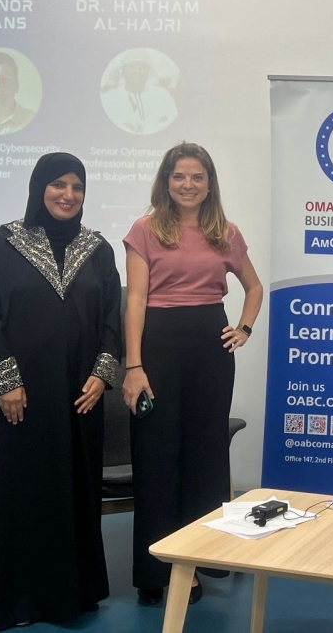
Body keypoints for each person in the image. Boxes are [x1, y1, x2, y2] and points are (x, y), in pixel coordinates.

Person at [0, 153, 121, 631]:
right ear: (40, 188)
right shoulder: (3, 243)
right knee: (19, 493)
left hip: (79, 398)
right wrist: (6, 383)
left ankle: (70, 593)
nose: (68, 195)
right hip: (17, 400)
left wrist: (102, 375)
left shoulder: (98, 250)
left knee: (73, 490)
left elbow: (110, 323)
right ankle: (15, 597)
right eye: (58, 184)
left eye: (77, 187)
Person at [122, 142, 262, 605]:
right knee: (156, 457)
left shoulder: (225, 231)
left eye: (197, 177)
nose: (187, 185)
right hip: (157, 348)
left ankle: (196, 562)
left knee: (203, 457)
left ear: (209, 184)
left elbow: (254, 287)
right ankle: (153, 570)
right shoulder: (144, 230)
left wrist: (242, 328)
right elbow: (137, 300)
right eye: (179, 177)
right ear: (166, 182)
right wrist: (134, 365)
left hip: (209, 347)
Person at [100, 48, 178, 135]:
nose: (137, 71)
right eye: (132, 67)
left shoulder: (162, 95)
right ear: (122, 71)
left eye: (142, 68)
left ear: (148, 72)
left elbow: (175, 124)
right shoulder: (110, 98)